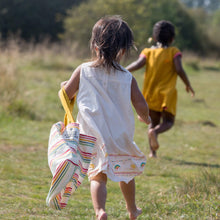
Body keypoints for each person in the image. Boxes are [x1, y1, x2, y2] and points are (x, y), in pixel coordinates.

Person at [61, 16, 151, 220]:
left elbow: (66, 95)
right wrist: (145, 118)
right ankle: (132, 209)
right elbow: (141, 104)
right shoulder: (127, 77)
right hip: (120, 135)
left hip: (92, 135)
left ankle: (100, 211)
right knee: (126, 173)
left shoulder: (83, 70)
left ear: (94, 45)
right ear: (124, 50)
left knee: (98, 176)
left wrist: (67, 87)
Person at [126, 20, 195, 158]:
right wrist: (188, 84)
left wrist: (123, 70)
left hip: (150, 94)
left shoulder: (148, 52)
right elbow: (179, 69)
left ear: (155, 37)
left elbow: (137, 64)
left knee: (152, 122)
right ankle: (155, 133)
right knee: (168, 122)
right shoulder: (174, 52)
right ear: (172, 38)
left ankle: (153, 153)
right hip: (166, 94)